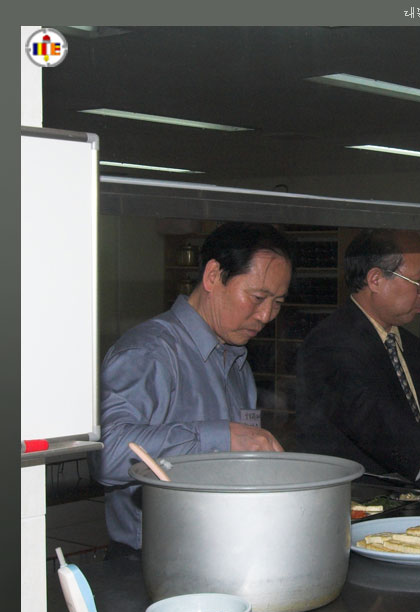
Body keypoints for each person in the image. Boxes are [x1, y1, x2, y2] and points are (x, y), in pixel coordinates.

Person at [91, 222, 293, 558]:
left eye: (278, 302)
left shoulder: (236, 358)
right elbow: (107, 452)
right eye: (257, 297)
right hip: (150, 560)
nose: (266, 315)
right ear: (213, 276)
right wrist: (221, 438)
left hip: (223, 550)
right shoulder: (150, 352)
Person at [294, 229, 420, 499]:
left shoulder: (409, 343)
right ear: (375, 279)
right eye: (418, 281)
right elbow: (370, 414)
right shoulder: (331, 342)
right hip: (353, 498)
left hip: (407, 491)